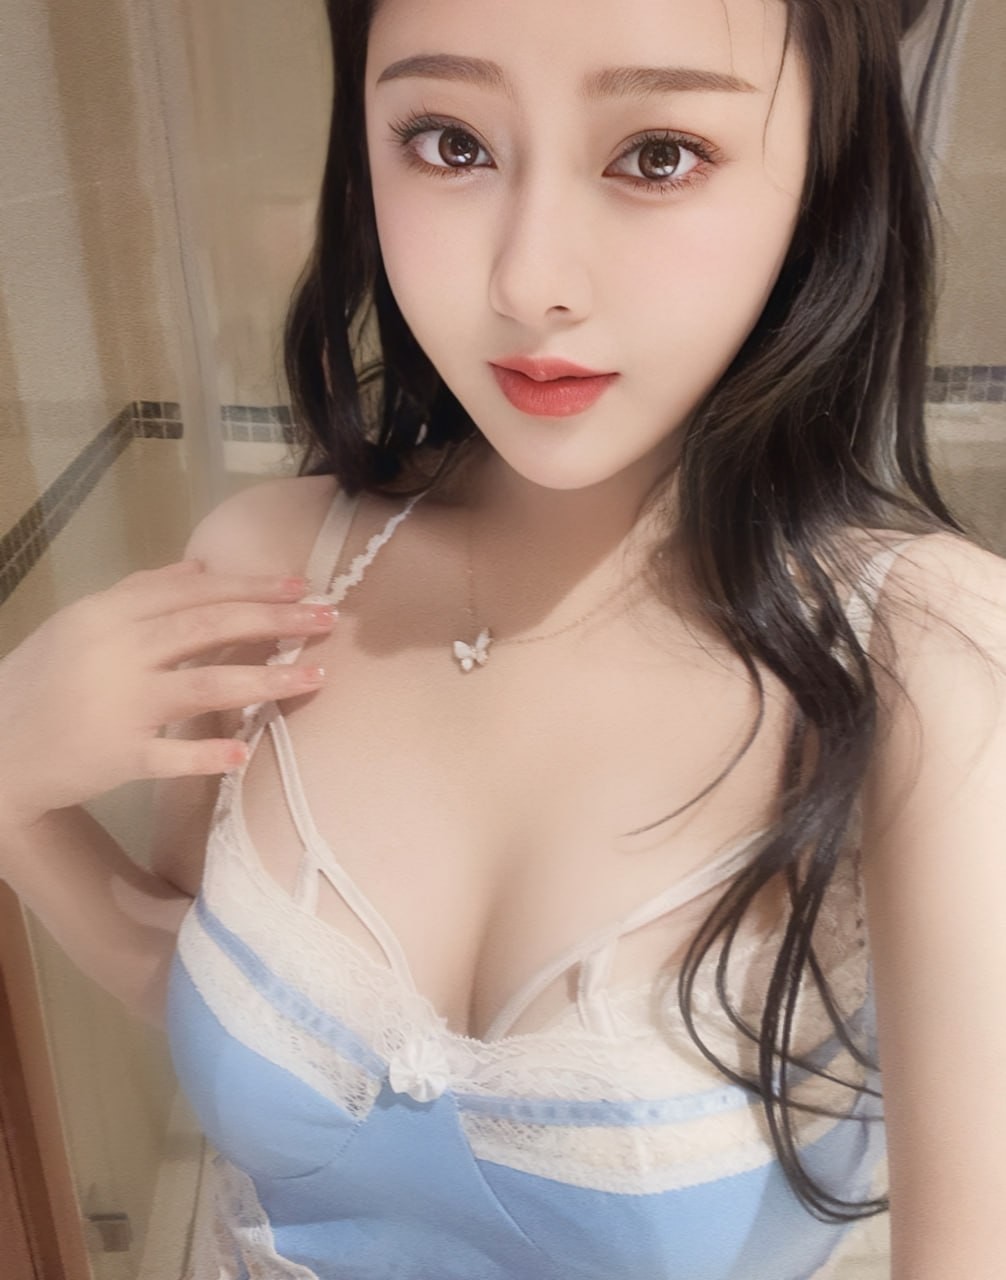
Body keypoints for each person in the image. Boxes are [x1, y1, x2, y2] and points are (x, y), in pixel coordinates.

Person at [0, 0, 1002, 1276]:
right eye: (449, 141)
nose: (529, 281)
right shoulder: (271, 560)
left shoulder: (926, 659)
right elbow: (206, 991)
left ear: (827, 164)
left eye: (658, 154)